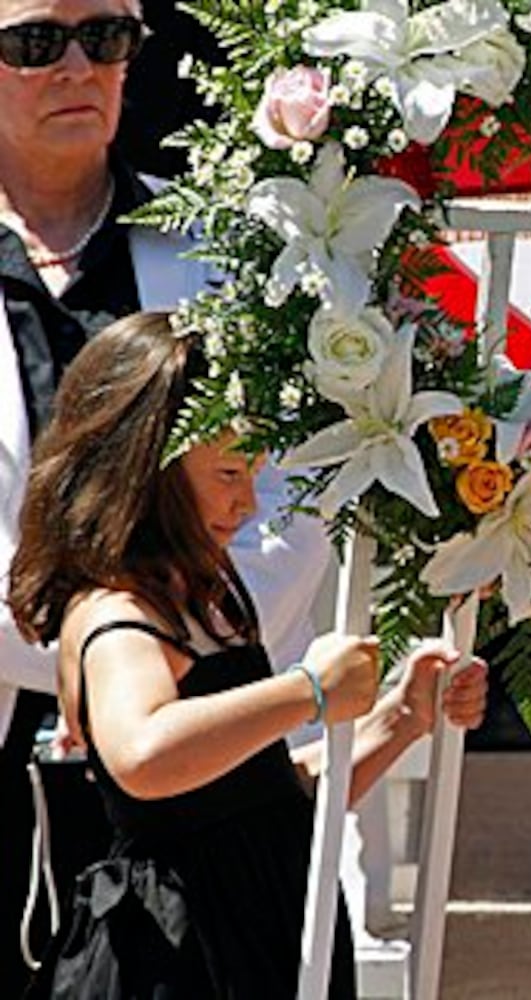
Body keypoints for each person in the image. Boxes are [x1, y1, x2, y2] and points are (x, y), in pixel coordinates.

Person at [6, 311, 489, 997]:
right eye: (229, 472)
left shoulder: (200, 606)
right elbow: (144, 754)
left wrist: (400, 716)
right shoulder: (118, 614)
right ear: (148, 465)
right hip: (179, 955)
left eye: (255, 473)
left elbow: (266, 796)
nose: (246, 501)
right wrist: (306, 691)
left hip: (259, 933)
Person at [0, 1, 331, 986]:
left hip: (195, 778)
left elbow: (294, 491)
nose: (77, 66)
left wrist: (160, 646)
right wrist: (87, 650)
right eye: (33, 43)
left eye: (106, 39)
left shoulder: (224, 253)